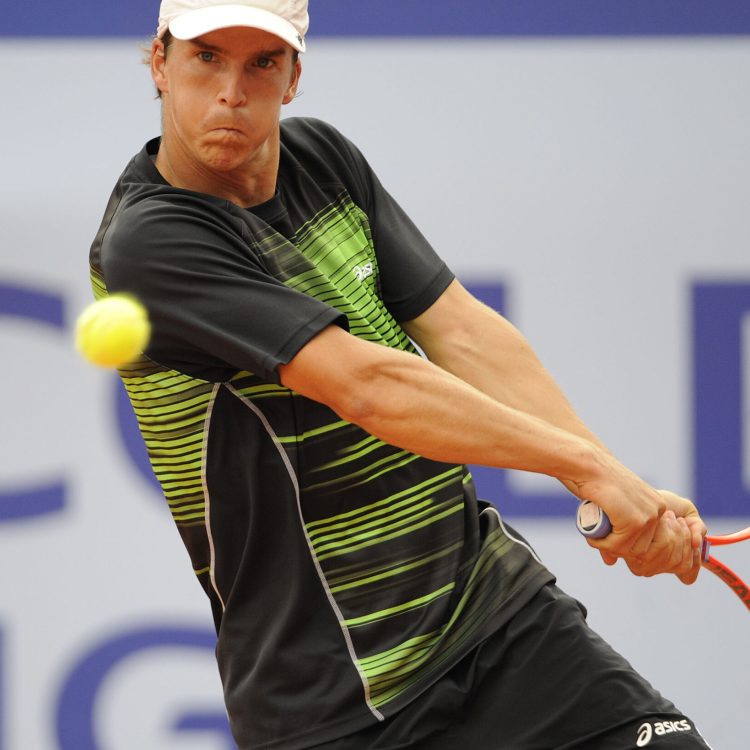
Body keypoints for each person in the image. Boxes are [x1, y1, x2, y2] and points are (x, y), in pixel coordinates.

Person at [89, 1, 714, 748]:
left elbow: (465, 333)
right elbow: (369, 387)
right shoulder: (150, 242)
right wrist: (588, 466)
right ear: (160, 63)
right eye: (207, 58)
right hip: (335, 694)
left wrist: (611, 482)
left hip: (493, 611)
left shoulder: (323, 159)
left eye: (263, 62)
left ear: (293, 78)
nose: (232, 90)